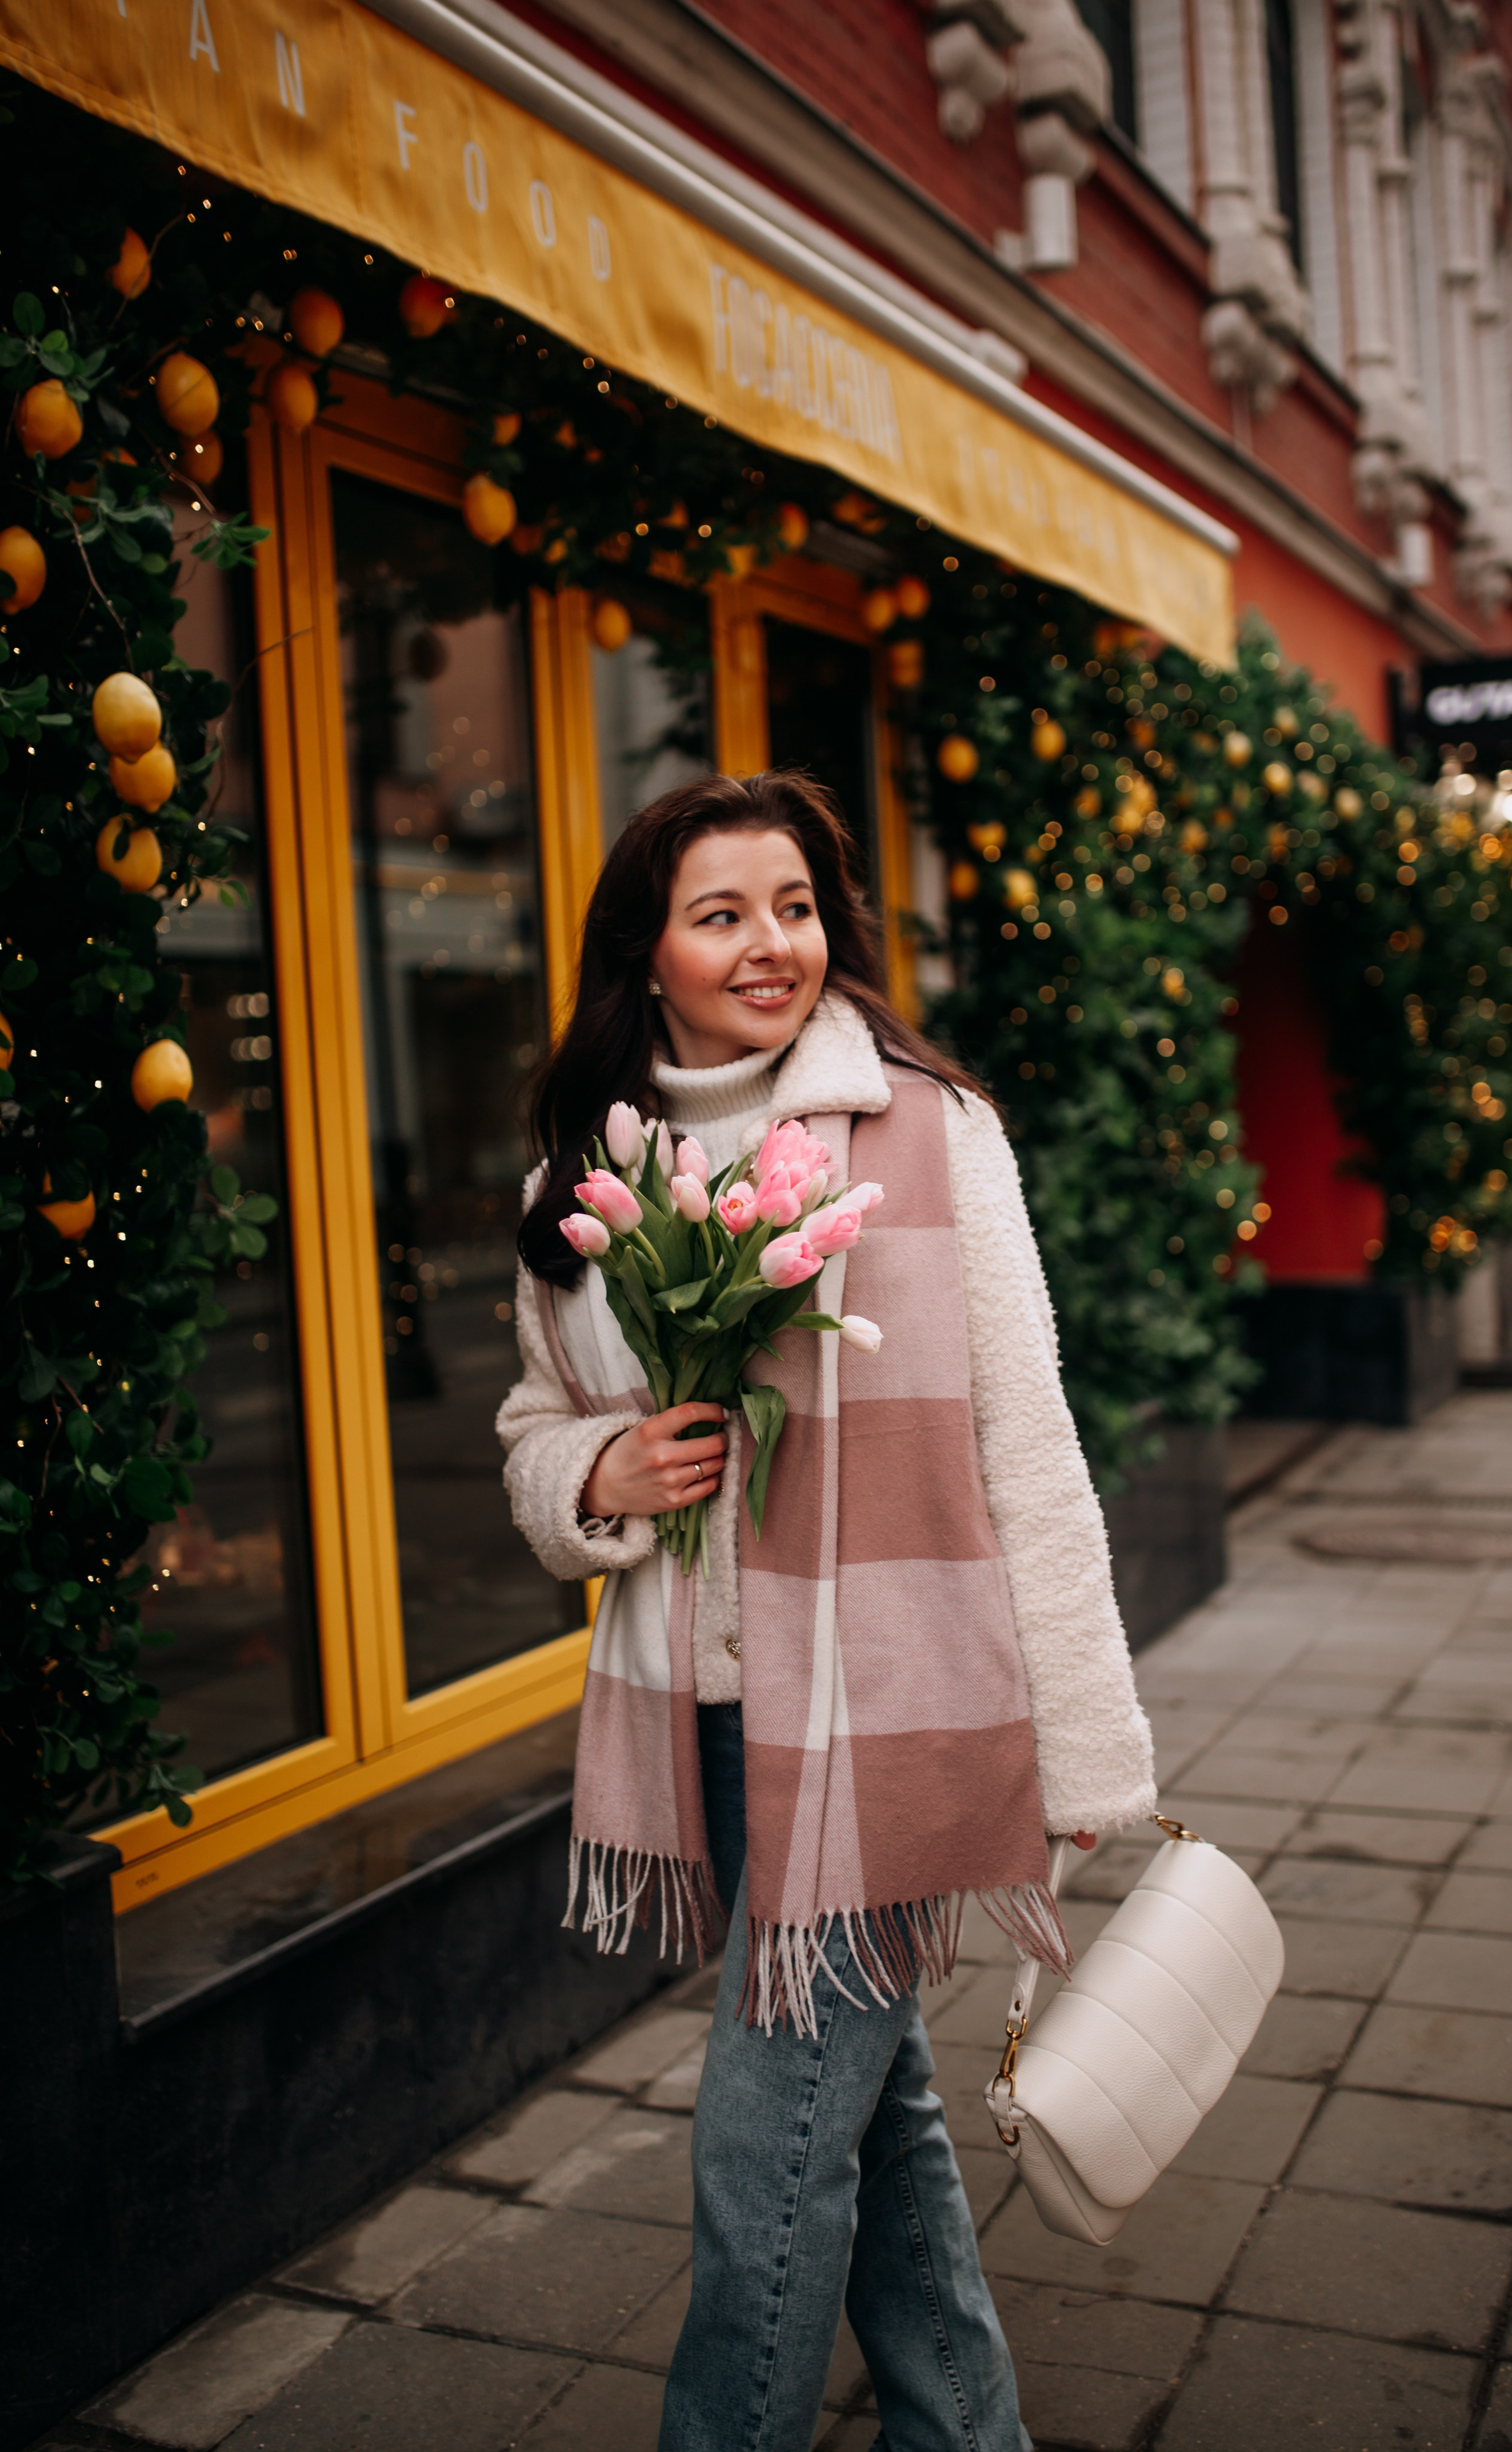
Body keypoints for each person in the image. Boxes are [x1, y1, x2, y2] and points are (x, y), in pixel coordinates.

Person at [499, 769, 1155, 2452]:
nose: (770, 944)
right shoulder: (588, 1163)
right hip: (709, 1723)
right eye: (722, 914)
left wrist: (1083, 1751)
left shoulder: (924, 1131)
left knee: (763, 2158)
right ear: (649, 953)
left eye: (794, 907)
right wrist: (600, 1476)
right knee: (879, 2135)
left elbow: (1025, 1439)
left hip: (887, 1723)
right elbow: (532, 1417)